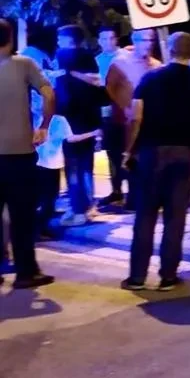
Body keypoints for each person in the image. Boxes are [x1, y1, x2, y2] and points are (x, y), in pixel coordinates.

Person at [121, 32, 190, 291]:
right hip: (188, 153)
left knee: (146, 214)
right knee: (176, 217)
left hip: (152, 152)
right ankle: (168, 276)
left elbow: (136, 118)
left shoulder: (150, 79)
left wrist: (129, 151)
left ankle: (137, 277)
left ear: (170, 50)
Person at [0, 18, 57, 289]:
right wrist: (44, 126)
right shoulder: (24, 64)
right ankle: (26, 272)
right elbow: (49, 94)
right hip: (19, 154)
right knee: (22, 216)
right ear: (10, 38)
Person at [53, 27, 105, 227]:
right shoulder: (89, 57)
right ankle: (89, 207)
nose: (58, 41)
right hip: (90, 118)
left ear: (68, 39)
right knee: (86, 166)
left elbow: (60, 89)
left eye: (60, 38)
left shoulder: (62, 57)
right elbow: (97, 84)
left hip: (70, 118)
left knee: (73, 168)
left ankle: (78, 210)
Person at [104, 29, 161, 210]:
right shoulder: (120, 62)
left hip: (146, 122)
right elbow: (109, 88)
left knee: (142, 160)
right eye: (144, 40)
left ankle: (139, 200)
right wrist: (124, 107)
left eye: (151, 40)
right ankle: (122, 194)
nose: (148, 44)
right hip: (122, 122)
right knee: (122, 159)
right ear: (135, 41)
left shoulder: (156, 66)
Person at [32, 93, 69, 237]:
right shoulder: (60, 120)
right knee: (50, 198)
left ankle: (37, 228)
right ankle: (41, 228)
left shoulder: (33, 119)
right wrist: (93, 133)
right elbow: (71, 138)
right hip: (51, 165)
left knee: (38, 198)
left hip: (37, 163)